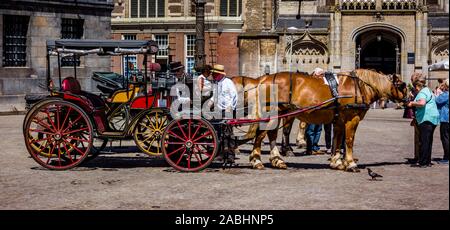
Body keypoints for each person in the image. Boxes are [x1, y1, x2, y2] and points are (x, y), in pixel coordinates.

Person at [407, 75, 440, 167]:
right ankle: (427, 161)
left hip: (426, 118)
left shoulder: (421, 92)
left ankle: (423, 162)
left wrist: (412, 103)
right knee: (429, 141)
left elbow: (422, 103)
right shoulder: (428, 90)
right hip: (433, 118)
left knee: (424, 141)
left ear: (417, 86)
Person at [209, 64, 238, 162]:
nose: (213, 76)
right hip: (218, 110)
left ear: (219, 74)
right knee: (219, 133)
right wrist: (209, 104)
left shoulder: (228, 82)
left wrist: (230, 107)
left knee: (229, 133)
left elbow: (234, 95)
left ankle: (230, 156)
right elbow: (214, 97)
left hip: (227, 110)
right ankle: (221, 154)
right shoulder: (216, 84)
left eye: (214, 74)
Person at [435, 79, 449, 164]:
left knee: (445, 138)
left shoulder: (446, 94)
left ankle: (447, 157)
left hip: (446, 118)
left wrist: (438, 91)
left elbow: (437, 100)